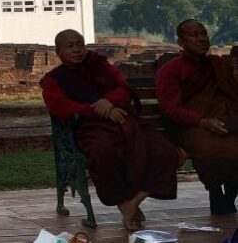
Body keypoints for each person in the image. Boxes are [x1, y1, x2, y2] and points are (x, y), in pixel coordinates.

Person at [42, 29, 178, 231]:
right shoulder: (54, 79)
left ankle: (131, 203)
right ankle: (124, 202)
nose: (77, 50)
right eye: (70, 46)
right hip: (91, 128)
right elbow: (61, 107)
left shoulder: (100, 65)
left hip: (125, 121)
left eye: (80, 45)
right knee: (104, 152)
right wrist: (99, 110)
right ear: (58, 52)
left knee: (165, 152)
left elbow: (123, 88)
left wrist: (109, 101)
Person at [156, 19, 238, 214]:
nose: (202, 39)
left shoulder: (218, 65)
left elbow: (232, 95)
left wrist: (235, 74)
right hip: (192, 126)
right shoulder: (171, 70)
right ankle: (216, 192)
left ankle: (230, 196)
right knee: (210, 149)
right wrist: (202, 121)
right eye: (194, 35)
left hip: (226, 121)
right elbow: (169, 108)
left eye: (204, 34)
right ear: (181, 42)